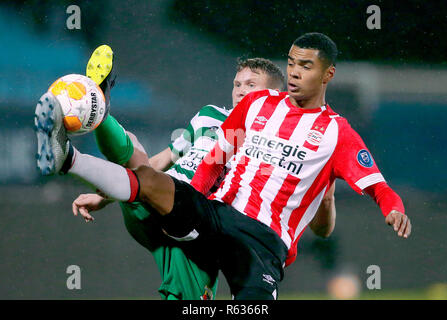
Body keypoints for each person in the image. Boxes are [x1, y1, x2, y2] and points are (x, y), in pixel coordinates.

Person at [36, 33, 407, 300]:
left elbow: (364, 192)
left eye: (305, 66)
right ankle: (80, 137)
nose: (241, 90)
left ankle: (96, 115)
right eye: (236, 83)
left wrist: (386, 207)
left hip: (240, 236)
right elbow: (187, 162)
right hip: (194, 207)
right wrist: (170, 200)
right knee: (142, 164)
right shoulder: (230, 112)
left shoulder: (323, 134)